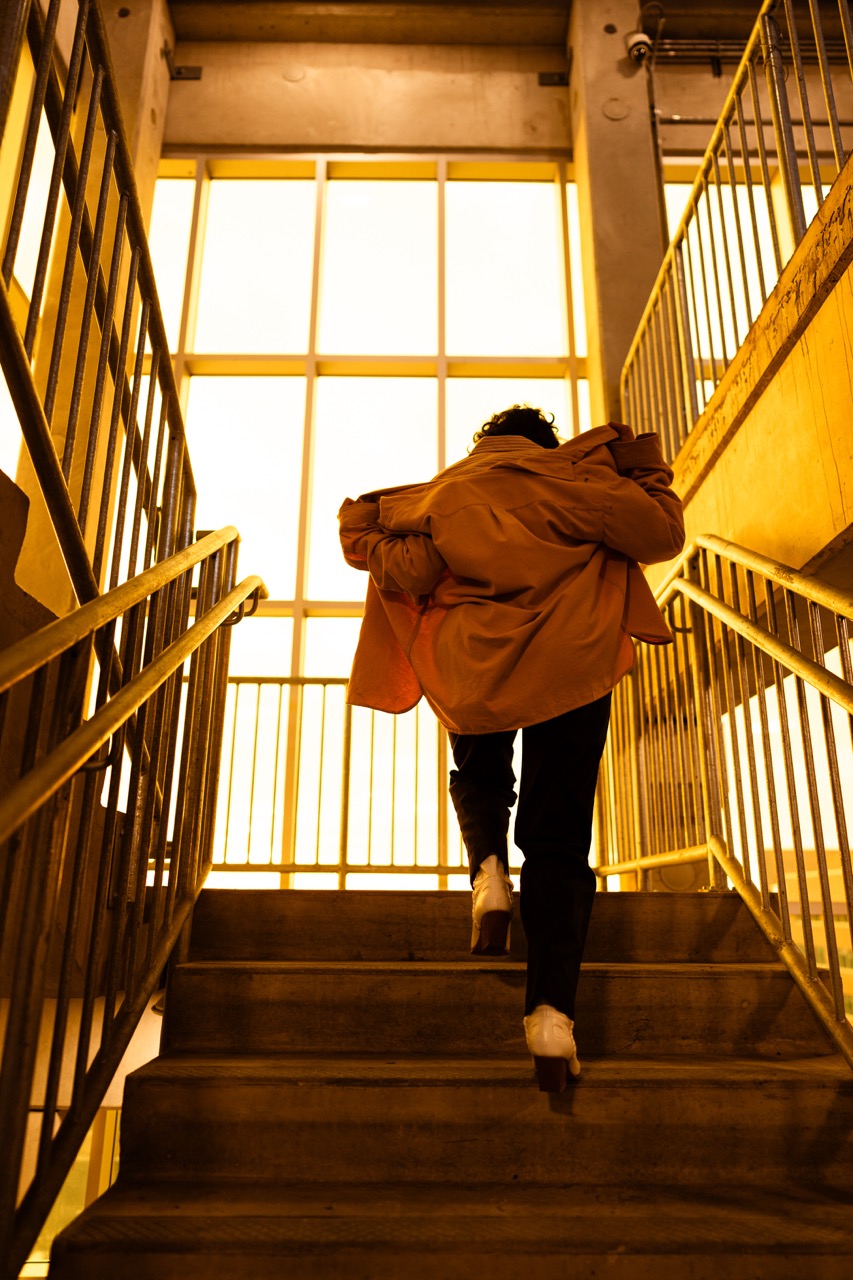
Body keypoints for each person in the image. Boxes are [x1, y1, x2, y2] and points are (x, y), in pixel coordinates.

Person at [338, 405, 685, 1091]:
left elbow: (404, 568)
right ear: (548, 444)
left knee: (479, 768)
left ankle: (488, 872)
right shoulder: (579, 486)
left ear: (484, 443)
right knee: (557, 840)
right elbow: (659, 533)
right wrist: (642, 469)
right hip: (571, 663)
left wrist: (387, 550)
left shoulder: (446, 494)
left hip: (474, 665)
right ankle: (551, 1011)